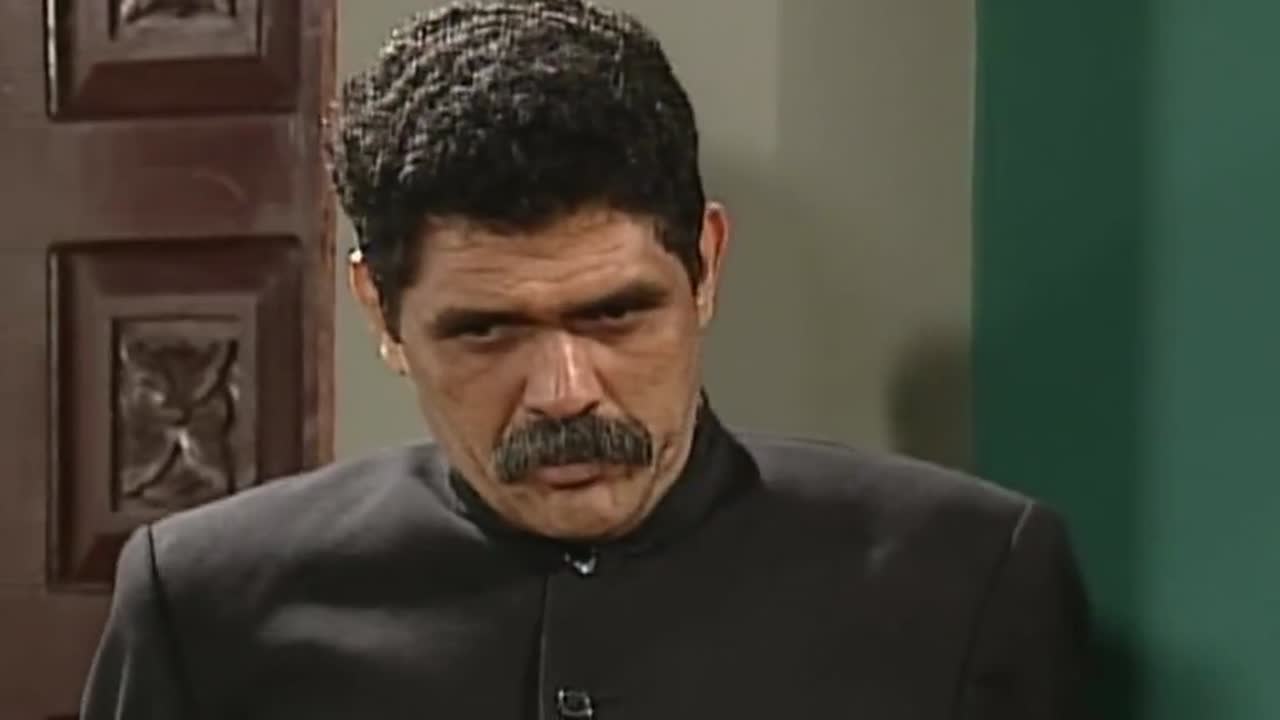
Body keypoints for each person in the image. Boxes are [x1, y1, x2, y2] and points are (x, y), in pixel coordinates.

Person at [81, 1, 1091, 718]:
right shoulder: (205, 606)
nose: (563, 393)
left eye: (616, 315)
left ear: (705, 267)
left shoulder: (967, 581)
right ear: (380, 311)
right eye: (485, 331)